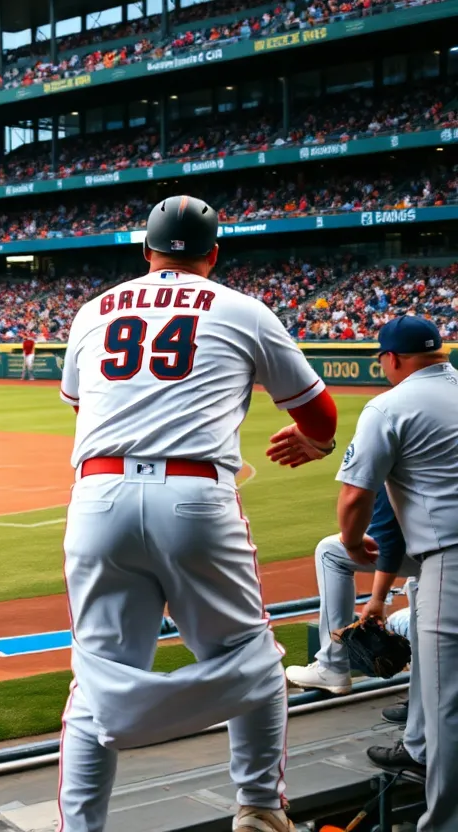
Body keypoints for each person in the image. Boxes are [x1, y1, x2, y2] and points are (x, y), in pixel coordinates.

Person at [56, 195, 338, 832]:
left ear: (145, 251)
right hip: (197, 497)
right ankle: (261, 809)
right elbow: (320, 418)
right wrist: (316, 444)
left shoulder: (92, 310)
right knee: (251, 653)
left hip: (99, 496)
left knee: (97, 676)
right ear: (213, 253)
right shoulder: (242, 308)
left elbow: (83, 409)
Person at [334, 315, 458, 830]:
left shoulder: (389, 404)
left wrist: (350, 543)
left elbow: (356, 496)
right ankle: (418, 749)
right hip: (439, 562)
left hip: (449, 562)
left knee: (445, 702)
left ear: (392, 359)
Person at [284, 485, 424, 772]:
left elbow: (381, 530)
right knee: (422, 595)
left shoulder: (387, 441)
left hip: (439, 554)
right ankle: (421, 705)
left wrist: (378, 599)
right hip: (438, 550)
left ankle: (333, 664)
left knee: (330, 551)